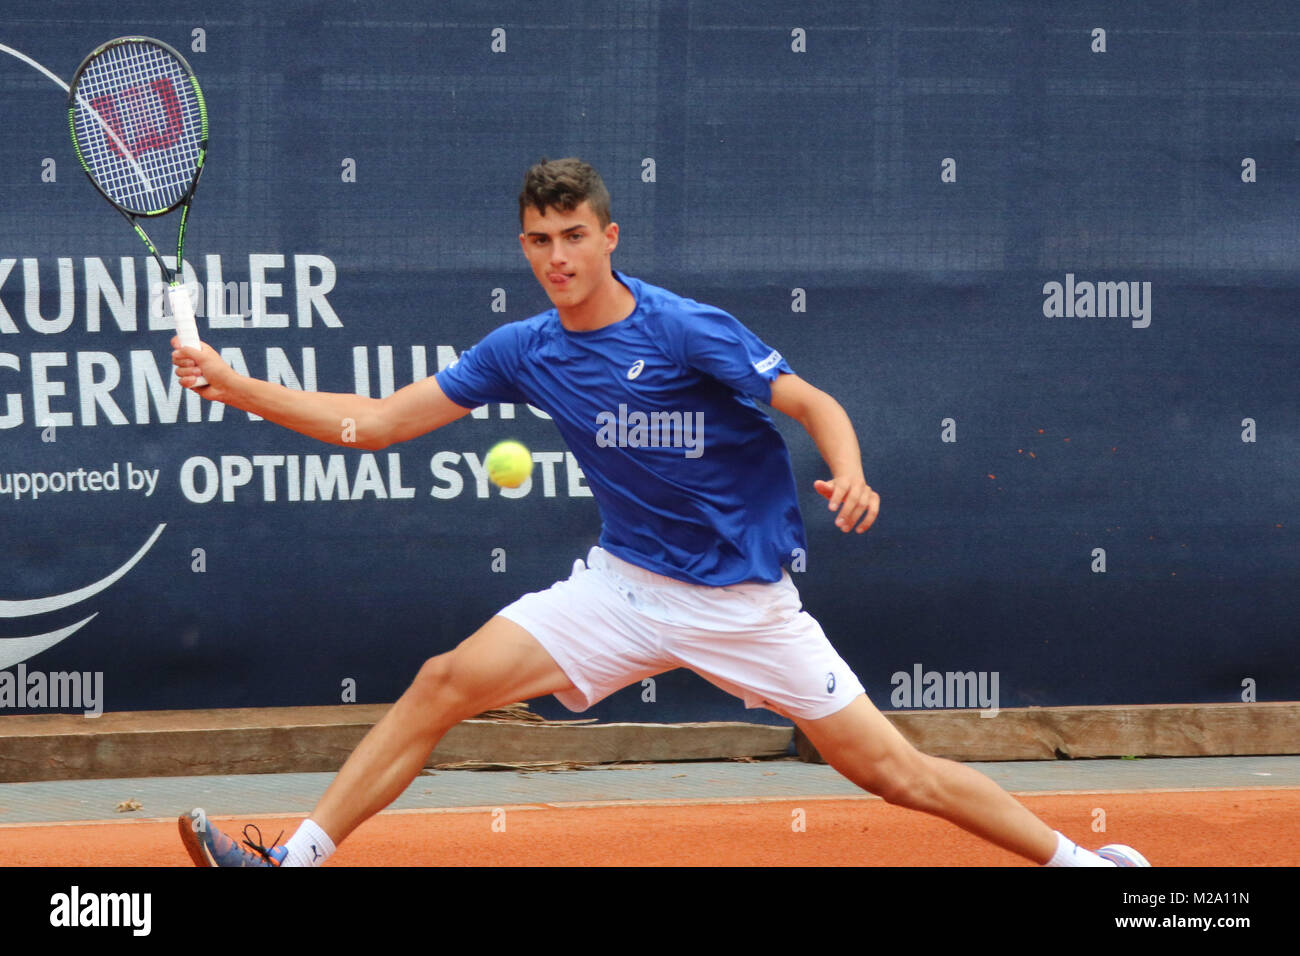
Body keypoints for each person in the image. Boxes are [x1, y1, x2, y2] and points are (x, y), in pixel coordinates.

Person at [173, 157, 1148, 868]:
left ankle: (1080, 866)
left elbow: (810, 403)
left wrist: (847, 470)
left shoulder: (681, 329)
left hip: (743, 606)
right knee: (443, 680)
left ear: (608, 236)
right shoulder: (523, 349)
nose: (557, 256)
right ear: (523, 245)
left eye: (573, 237)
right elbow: (378, 423)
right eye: (539, 240)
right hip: (623, 588)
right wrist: (233, 384)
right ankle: (290, 861)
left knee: (896, 770)